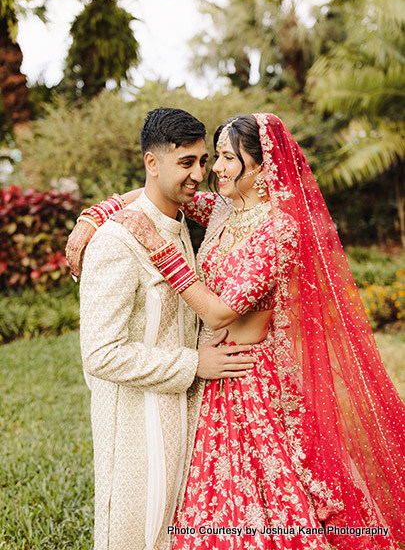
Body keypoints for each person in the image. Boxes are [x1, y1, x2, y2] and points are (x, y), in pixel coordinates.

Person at [69, 113, 405, 549]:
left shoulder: (280, 229)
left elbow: (222, 313)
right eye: (217, 157)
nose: (215, 170)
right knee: (205, 500)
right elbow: (162, 191)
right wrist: (95, 215)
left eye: (227, 158)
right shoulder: (224, 208)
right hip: (212, 375)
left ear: (264, 167)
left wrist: (157, 246)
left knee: (262, 498)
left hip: (250, 377)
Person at [77, 108, 256, 550]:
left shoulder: (177, 224)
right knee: (134, 532)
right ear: (151, 163)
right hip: (135, 420)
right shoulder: (117, 243)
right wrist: (195, 363)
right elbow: (100, 353)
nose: (199, 173)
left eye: (202, 160)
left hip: (182, 411)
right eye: (186, 162)